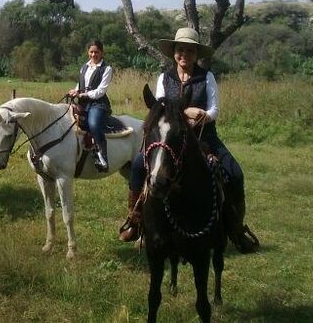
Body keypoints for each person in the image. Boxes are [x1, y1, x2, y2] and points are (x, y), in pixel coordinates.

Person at [118, 28, 250, 250]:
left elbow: (215, 109)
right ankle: (135, 218)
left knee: (235, 173)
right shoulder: (164, 78)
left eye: (190, 51)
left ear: (196, 54)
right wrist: (186, 112)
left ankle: (235, 227)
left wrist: (205, 115)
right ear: (174, 52)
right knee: (139, 165)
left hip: (203, 135)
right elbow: (161, 107)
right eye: (180, 50)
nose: (184, 55)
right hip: (170, 137)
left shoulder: (207, 77)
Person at [68, 40, 116, 172]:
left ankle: (103, 158)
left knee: (93, 124)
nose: (93, 54)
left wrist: (83, 94)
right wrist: (74, 91)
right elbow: (80, 85)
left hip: (98, 104)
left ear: (102, 52)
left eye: (96, 52)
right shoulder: (84, 67)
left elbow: (101, 91)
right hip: (83, 103)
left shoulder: (106, 69)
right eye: (91, 52)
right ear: (88, 52)